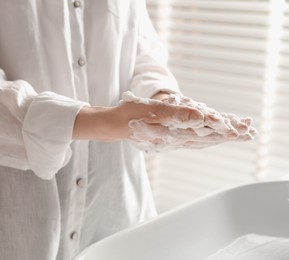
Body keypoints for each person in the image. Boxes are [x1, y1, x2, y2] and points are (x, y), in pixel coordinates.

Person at [0, 1, 255, 259]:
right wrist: (107, 122)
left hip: (120, 218)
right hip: (20, 231)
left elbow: (142, 52)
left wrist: (164, 103)